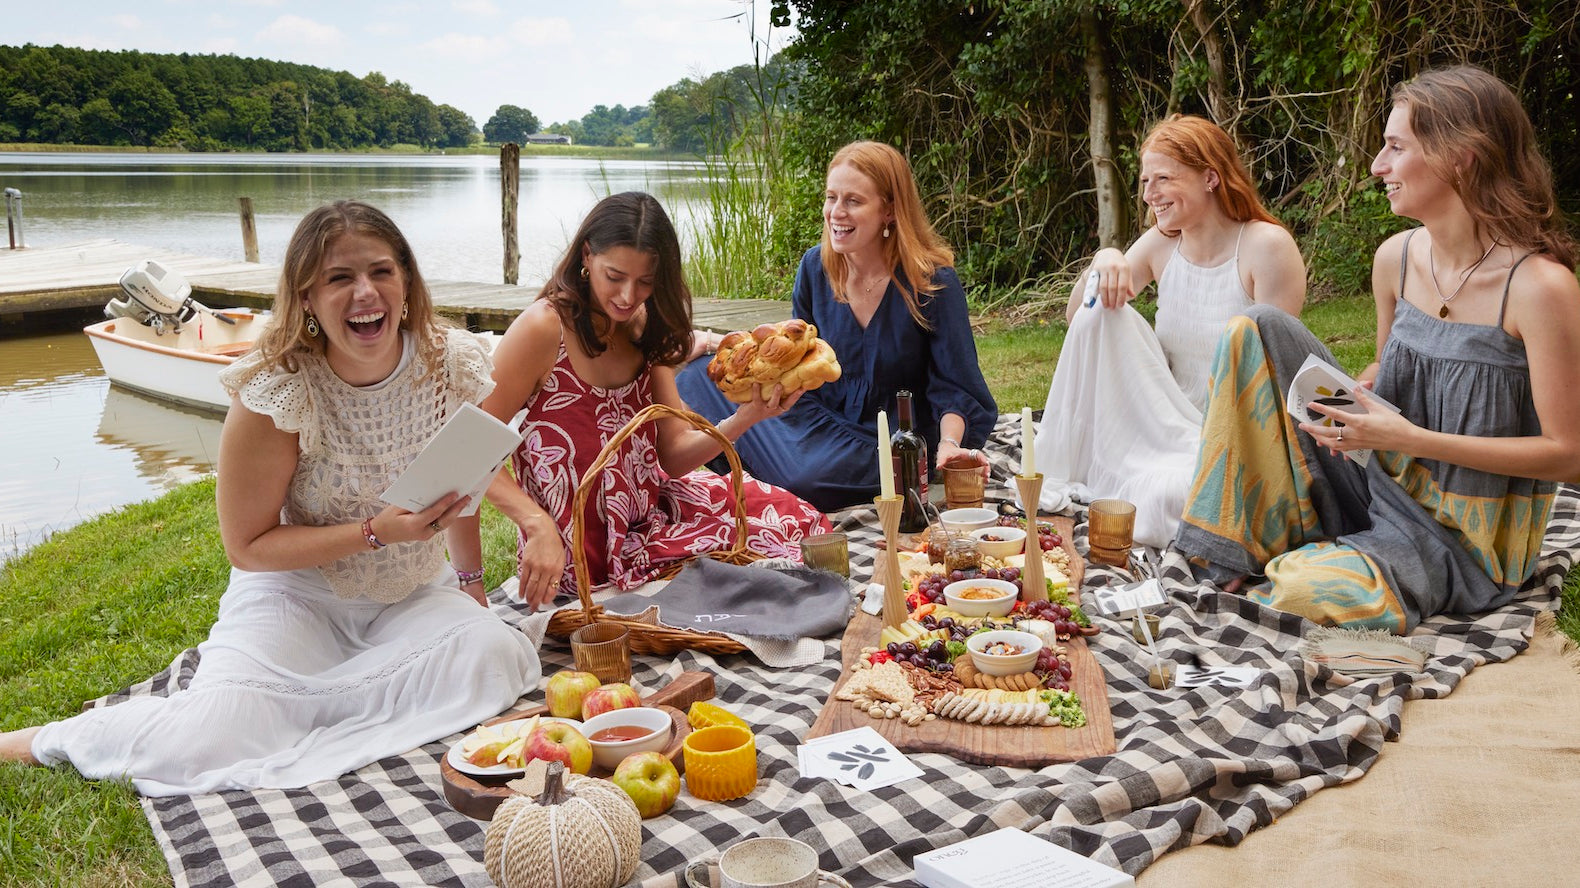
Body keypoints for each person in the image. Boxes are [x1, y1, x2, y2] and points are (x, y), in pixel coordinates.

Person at [0, 200, 541, 793]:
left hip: (410, 595)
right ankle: (44, 740)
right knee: (201, 739)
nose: (366, 293)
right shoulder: (276, 389)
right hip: (297, 596)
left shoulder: (453, 362)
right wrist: (373, 532)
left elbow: (456, 488)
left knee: (495, 655)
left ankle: (300, 712)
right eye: (340, 278)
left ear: (406, 281)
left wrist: (470, 588)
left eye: (381, 272)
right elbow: (248, 547)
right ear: (306, 296)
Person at [1174, 66, 1580, 633]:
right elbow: (1391, 371)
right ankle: (1236, 547)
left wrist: (1409, 439)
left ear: (1459, 155)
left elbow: (1569, 453)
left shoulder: (1540, 289)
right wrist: (1361, 396)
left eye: (1395, 147)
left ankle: (1307, 552)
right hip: (1377, 482)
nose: (1377, 166)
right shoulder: (1396, 258)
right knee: (1254, 327)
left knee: (1297, 590)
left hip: (1458, 538)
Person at [469, 192, 829, 611]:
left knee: (798, 521)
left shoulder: (643, 327)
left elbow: (673, 457)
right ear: (587, 256)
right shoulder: (543, 329)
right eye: (614, 276)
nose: (627, 296)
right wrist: (536, 524)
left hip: (652, 519)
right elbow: (470, 451)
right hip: (577, 554)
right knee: (747, 582)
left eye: (644, 282)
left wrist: (749, 414)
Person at [677, 140, 998, 513]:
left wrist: (949, 447)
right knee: (699, 376)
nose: (836, 213)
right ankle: (774, 475)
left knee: (806, 479)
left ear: (889, 210)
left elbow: (954, 383)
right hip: (816, 416)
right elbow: (796, 360)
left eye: (853, 201)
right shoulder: (816, 267)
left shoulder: (931, 283)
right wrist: (720, 344)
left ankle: (770, 478)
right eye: (832, 198)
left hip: (885, 440)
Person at [1032, 114, 1306, 549]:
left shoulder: (1265, 246)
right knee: (1103, 309)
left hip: (1235, 429)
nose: (1149, 194)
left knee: (1164, 498)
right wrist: (1106, 258)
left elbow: (1272, 373)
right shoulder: (1163, 242)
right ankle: (1105, 461)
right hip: (1160, 417)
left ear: (1211, 178)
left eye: (1162, 178)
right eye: (1145, 181)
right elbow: (1079, 322)